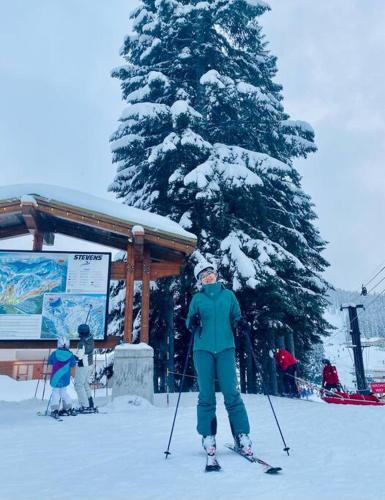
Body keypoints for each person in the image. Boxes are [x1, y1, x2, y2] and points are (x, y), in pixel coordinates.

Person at [186, 260, 253, 470]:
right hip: (202, 350)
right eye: (203, 275)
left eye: (210, 273)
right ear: (199, 281)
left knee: (231, 393)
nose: (208, 277)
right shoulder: (197, 299)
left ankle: (241, 435)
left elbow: (236, 316)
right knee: (206, 394)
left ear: (216, 275)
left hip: (225, 348)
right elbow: (189, 322)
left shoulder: (228, 296)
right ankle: (208, 437)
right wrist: (193, 322)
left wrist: (241, 323)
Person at [48, 336, 77, 417]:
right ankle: (68, 407)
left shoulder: (54, 354)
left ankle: (54, 409)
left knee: (55, 392)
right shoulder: (70, 355)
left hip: (56, 377)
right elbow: (73, 364)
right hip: (65, 378)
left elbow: (50, 362)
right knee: (63, 392)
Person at [74, 323, 95, 412]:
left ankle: (85, 405)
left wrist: (70, 356)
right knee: (85, 383)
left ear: (80, 333)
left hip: (83, 365)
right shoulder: (91, 339)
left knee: (78, 385)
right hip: (90, 364)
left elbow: (79, 357)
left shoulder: (81, 343)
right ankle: (90, 403)